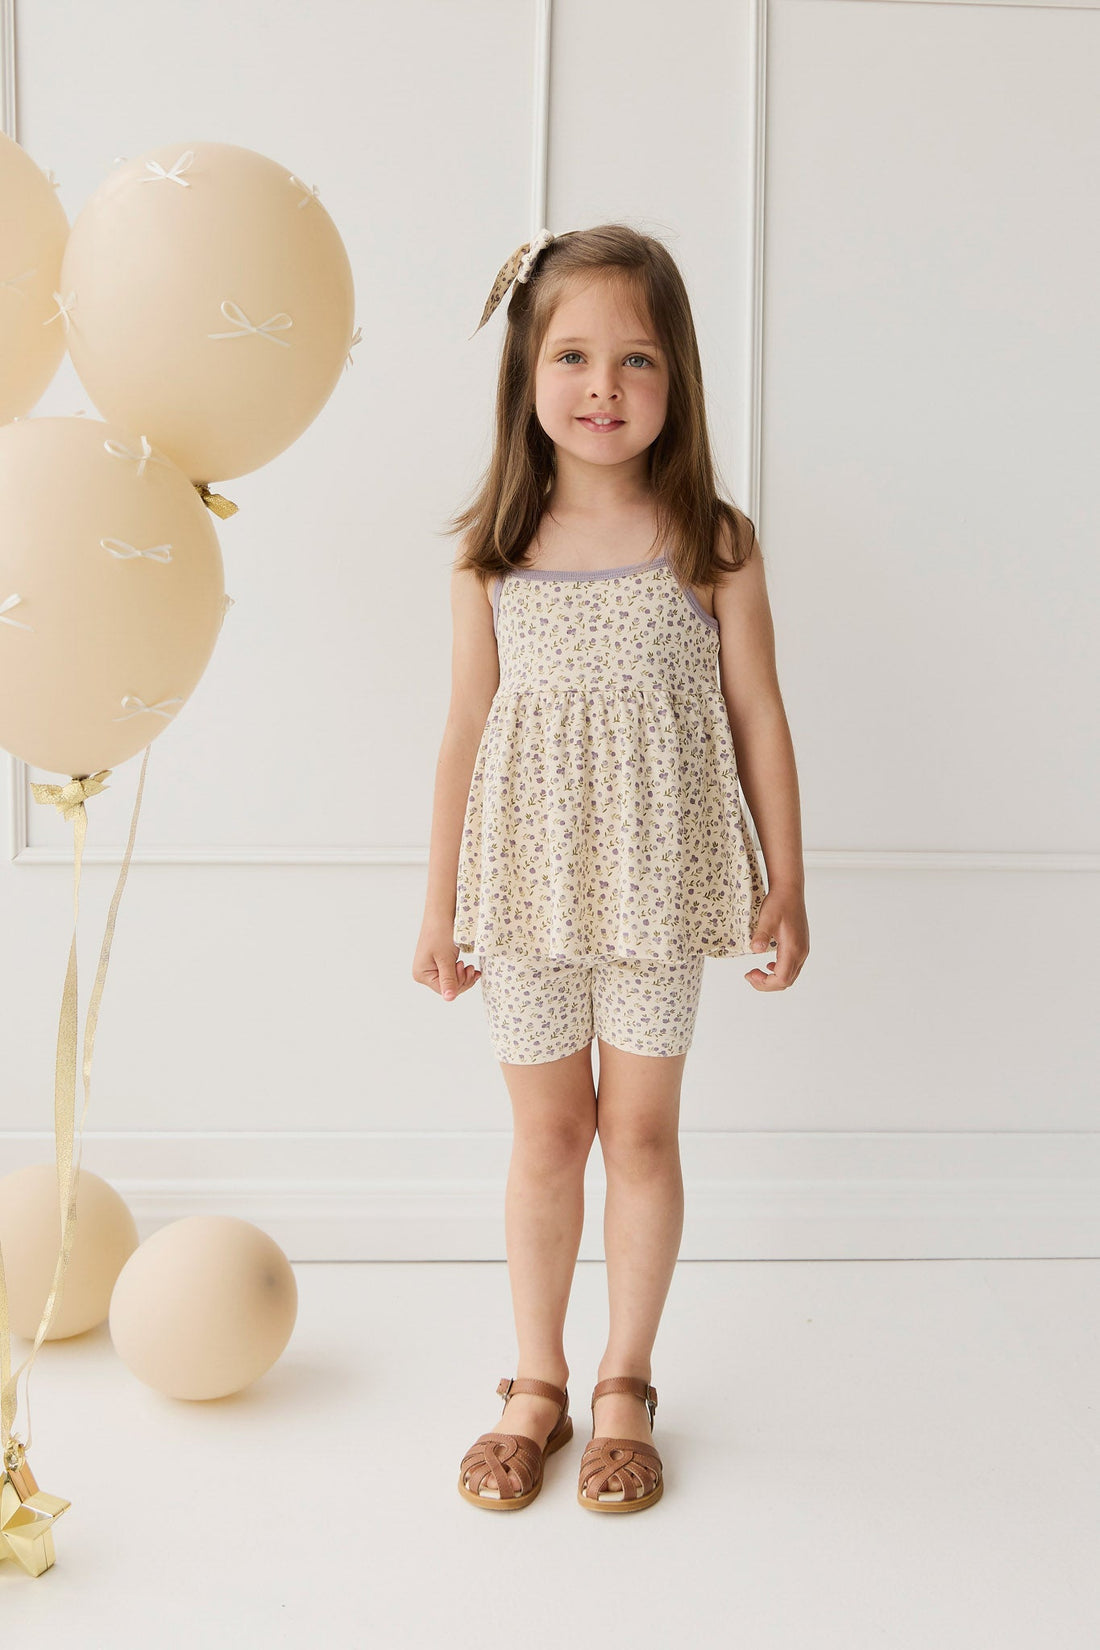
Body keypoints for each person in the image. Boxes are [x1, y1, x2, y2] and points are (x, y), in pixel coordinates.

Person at [413, 224, 810, 1514]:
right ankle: (536, 1380)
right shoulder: (491, 553)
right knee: (547, 1135)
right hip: (524, 894)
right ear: (526, 374)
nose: (603, 386)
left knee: (638, 1133)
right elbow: (464, 728)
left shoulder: (713, 543)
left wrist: (787, 878)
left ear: (676, 374)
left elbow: (759, 713)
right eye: (572, 356)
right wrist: (439, 905)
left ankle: (625, 1382)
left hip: (659, 888)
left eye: (636, 358)